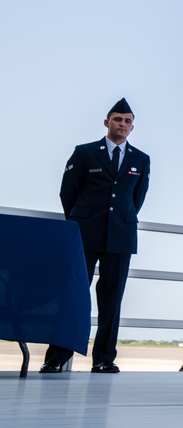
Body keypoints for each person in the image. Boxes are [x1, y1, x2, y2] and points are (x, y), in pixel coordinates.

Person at [39, 98, 151, 374]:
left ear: (132, 127)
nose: (122, 125)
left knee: (112, 301)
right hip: (84, 234)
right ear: (107, 122)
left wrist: (119, 220)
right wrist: (80, 221)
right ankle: (56, 358)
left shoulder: (141, 159)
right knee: (73, 295)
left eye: (126, 121)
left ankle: (103, 359)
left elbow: (137, 199)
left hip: (121, 237)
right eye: (117, 119)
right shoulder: (85, 153)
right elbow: (68, 192)